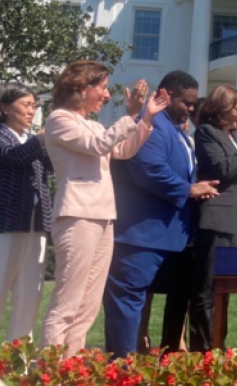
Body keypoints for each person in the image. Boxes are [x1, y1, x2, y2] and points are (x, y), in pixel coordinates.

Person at [42, 61, 169, 356]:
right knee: (68, 300)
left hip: (103, 216)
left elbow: (123, 150)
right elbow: (98, 145)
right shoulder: (59, 119)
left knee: (88, 303)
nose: (106, 95)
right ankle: (49, 373)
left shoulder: (94, 123)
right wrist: (130, 114)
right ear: (81, 88)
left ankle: (72, 370)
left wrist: (146, 117)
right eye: (101, 87)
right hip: (77, 215)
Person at [104, 71, 220, 356]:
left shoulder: (176, 128)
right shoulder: (152, 123)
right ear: (166, 95)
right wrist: (189, 190)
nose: (192, 109)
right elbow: (149, 168)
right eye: (186, 102)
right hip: (141, 235)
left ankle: (136, 364)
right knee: (127, 302)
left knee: (145, 301)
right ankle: (121, 369)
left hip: (168, 236)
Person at [0, 83, 50, 357]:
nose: (33, 110)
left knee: (29, 299)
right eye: (26, 104)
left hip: (35, 228)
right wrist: (41, 139)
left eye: (34, 105)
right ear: (3, 107)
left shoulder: (31, 141)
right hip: (0, 227)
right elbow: (11, 157)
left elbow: (53, 163)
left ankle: (18, 366)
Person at [189, 85, 237, 351]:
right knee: (206, 291)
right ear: (222, 109)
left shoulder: (234, 136)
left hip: (235, 221)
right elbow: (223, 168)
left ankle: (218, 346)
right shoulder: (207, 133)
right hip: (215, 220)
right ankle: (205, 350)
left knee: (223, 290)